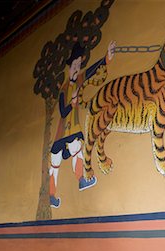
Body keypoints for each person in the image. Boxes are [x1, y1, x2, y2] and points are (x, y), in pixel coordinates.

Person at [49, 41, 116, 208]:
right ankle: (51, 195)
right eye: (75, 64)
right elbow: (63, 112)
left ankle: (81, 180)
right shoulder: (64, 89)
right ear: (69, 66)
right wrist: (72, 103)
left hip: (71, 130)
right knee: (55, 162)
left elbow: (92, 70)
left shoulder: (79, 80)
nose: (77, 68)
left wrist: (107, 57)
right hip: (63, 131)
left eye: (79, 65)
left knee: (76, 148)